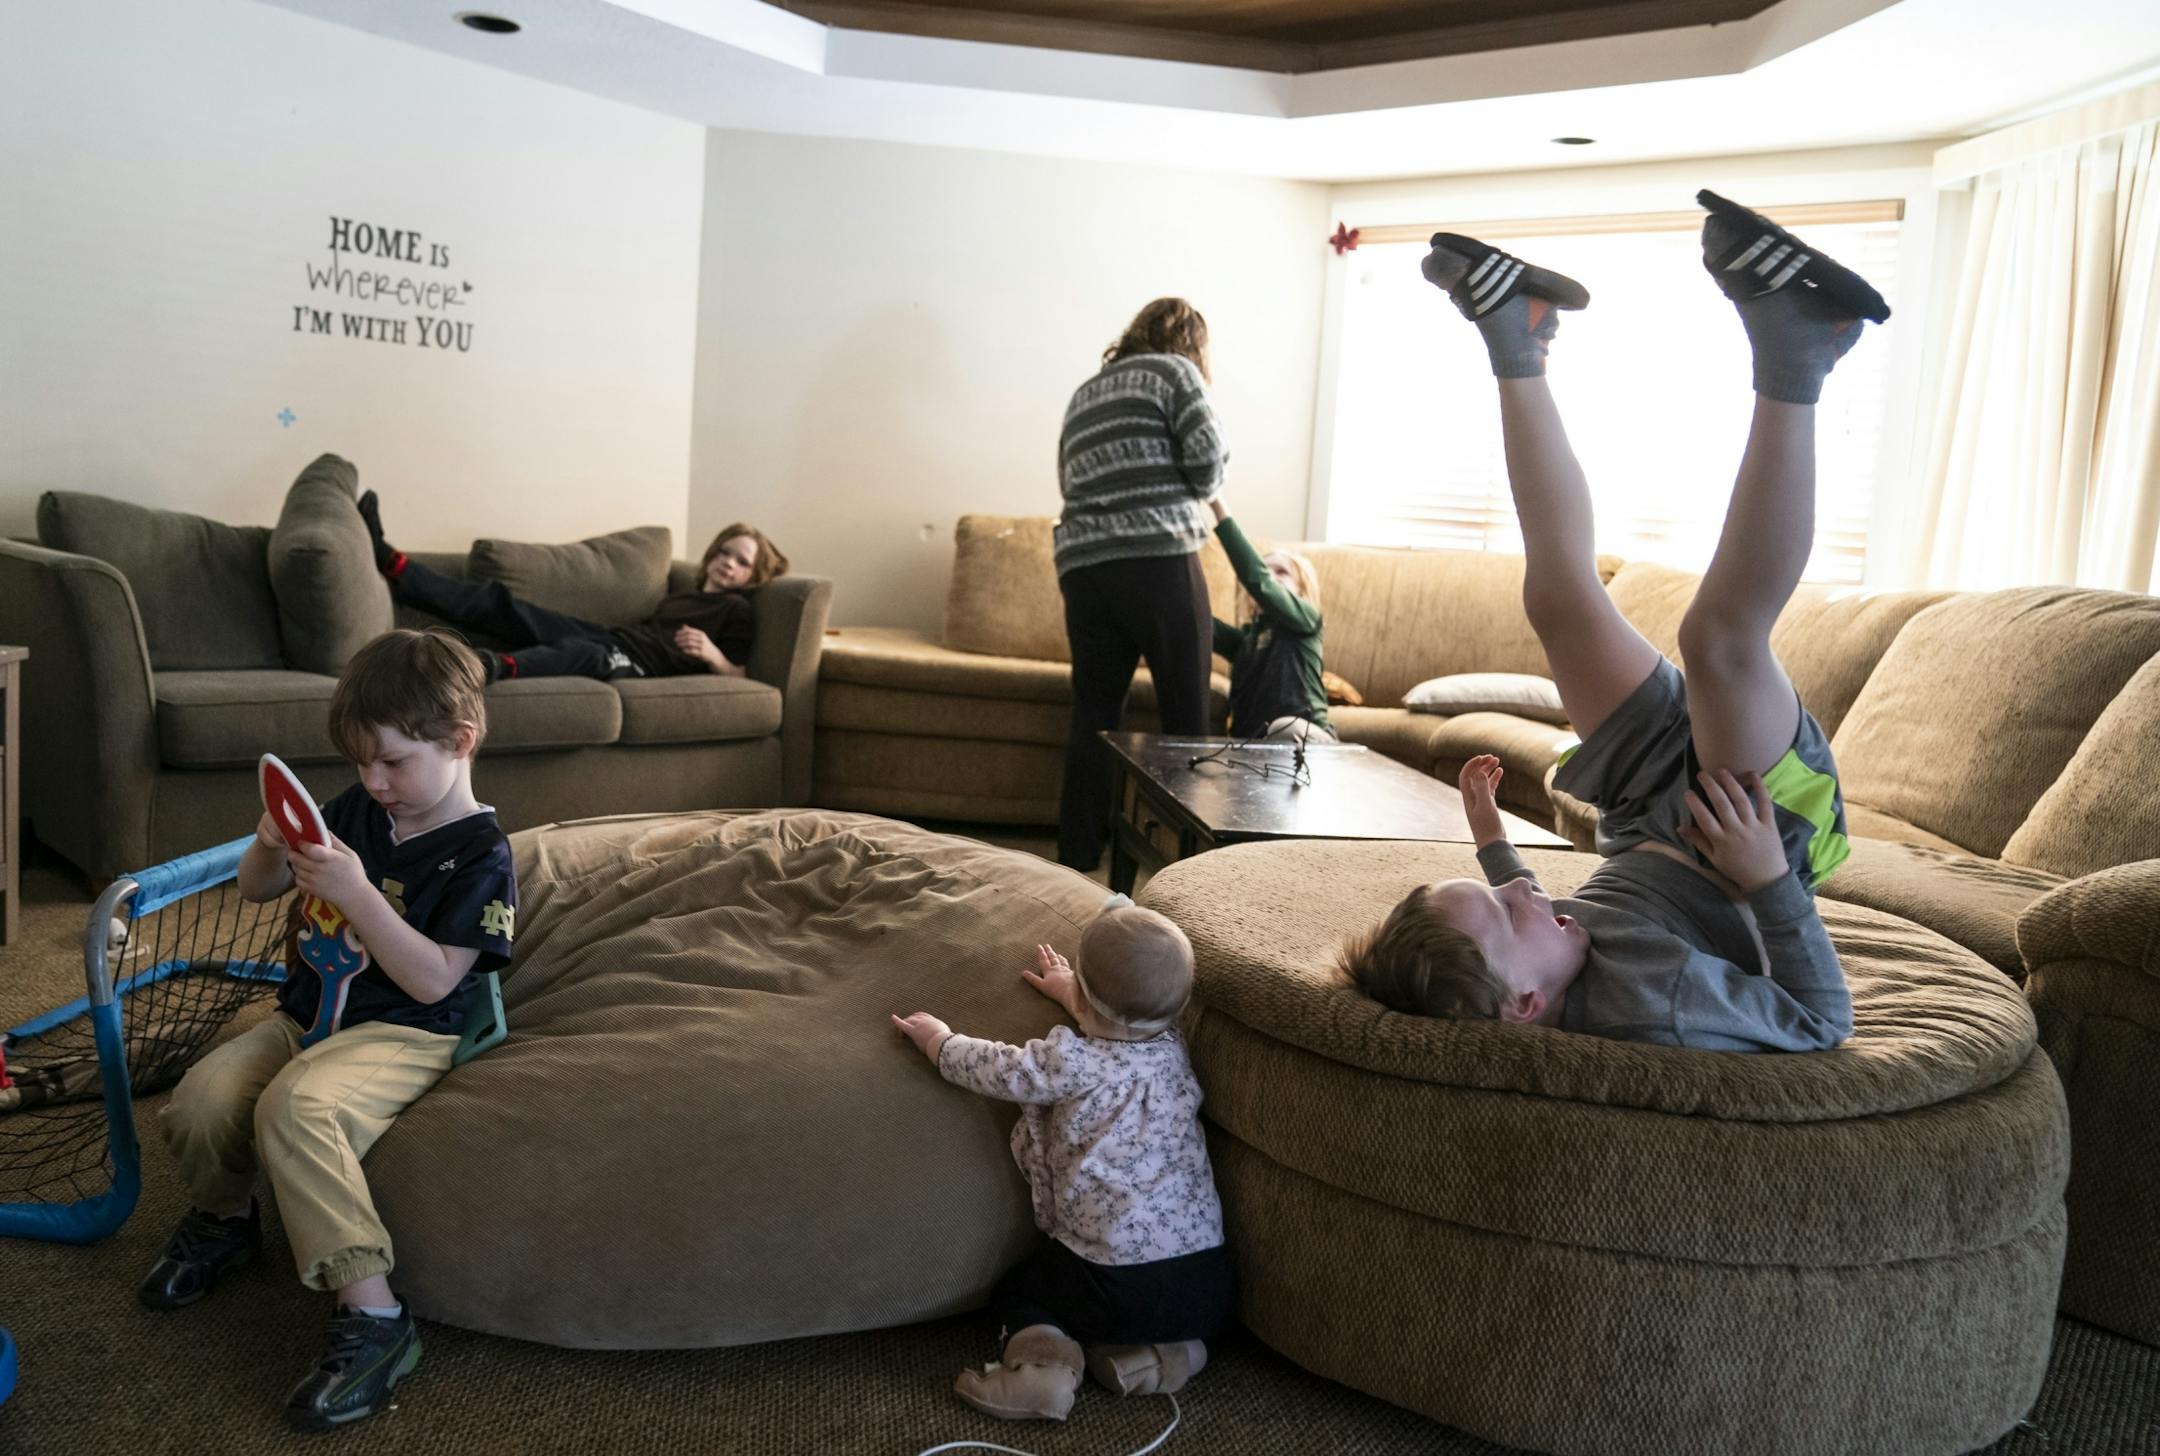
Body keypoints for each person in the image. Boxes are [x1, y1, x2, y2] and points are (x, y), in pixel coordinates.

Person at [1340, 192, 1890, 1052]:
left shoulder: (1531, 968)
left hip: (1644, 810)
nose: (1532, 893)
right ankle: (1802, 349)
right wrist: (1771, 882)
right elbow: (1822, 1022)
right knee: (1717, 641)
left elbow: (1522, 921)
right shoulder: (1652, 1001)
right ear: (1525, 1006)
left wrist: (1490, 843)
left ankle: (1518, 336)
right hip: (1748, 832)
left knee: (1556, 600)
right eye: (1506, 911)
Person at [138, 628, 518, 1429]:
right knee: (202, 1096)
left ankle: (377, 1317)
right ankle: (225, 1219)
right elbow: (255, 890)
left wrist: (357, 892)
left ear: (461, 742)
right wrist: (270, 844)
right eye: (360, 763)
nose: (373, 782)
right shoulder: (358, 808)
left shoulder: (481, 854)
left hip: (405, 1032)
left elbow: (432, 977)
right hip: (307, 1015)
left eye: (394, 762)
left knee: (296, 1109)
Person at [890, 898, 1233, 1424]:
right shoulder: (1175, 1048)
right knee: (1189, 1322)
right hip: (1204, 1283)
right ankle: (1169, 1357)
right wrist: (1077, 994)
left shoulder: (1070, 1062)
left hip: (1108, 1279)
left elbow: (1003, 1070)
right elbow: (1126, 1023)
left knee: (1021, 1292)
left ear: (1084, 997)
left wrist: (940, 1041)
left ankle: (1045, 1374)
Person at [1055, 298, 1227, 870]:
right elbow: (1207, 467)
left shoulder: (1086, 391)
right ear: (1191, 341)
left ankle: (1077, 857)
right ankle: (1188, 871)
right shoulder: (1174, 373)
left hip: (1084, 567)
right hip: (1155, 558)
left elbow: (1068, 477)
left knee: (1095, 716)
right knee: (1186, 717)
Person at [356, 491, 787, 682]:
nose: (729, 563)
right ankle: (395, 565)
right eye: (726, 552)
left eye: (742, 561)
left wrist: (714, 654)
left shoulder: (738, 611)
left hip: (639, 667)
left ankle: (485, 667)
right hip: (619, 639)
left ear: (753, 575)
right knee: (504, 606)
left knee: (586, 656)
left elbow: (744, 673)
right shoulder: (683, 595)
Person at [1206, 497, 1333, 742]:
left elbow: (1259, 580)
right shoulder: (1246, 641)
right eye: (1267, 570)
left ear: (1301, 590)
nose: (1272, 578)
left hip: (1303, 738)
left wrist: (1218, 508)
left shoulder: (1306, 620)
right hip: (1254, 749)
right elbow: (1201, 622)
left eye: (1282, 572)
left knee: (1285, 727)